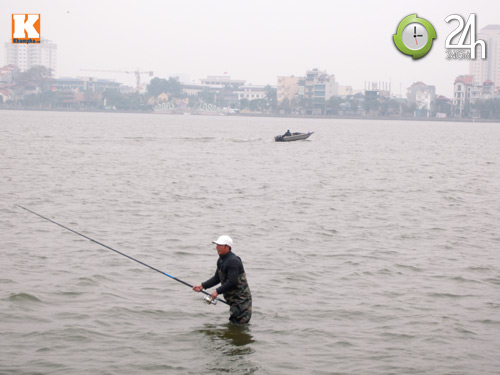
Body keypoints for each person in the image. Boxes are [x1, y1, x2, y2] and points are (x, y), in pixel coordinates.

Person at [193, 235, 252, 324]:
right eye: (217, 245)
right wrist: (202, 286)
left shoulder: (233, 261)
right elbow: (217, 278)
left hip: (241, 301)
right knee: (233, 328)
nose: (217, 247)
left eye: (220, 245)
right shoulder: (221, 260)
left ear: (227, 247)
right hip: (233, 300)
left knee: (238, 326)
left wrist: (217, 291)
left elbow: (232, 281)